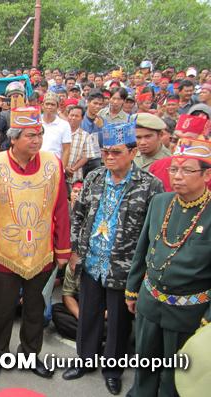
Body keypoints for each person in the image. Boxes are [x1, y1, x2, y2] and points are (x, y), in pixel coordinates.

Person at [62, 120, 164, 395]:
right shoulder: (94, 177)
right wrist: (74, 250)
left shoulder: (151, 185)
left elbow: (154, 232)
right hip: (92, 261)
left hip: (125, 268)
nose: (109, 157)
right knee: (89, 315)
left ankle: (113, 370)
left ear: (133, 153)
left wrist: (144, 270)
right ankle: (85, 360)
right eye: (106, 151)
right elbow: (79, 215)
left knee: (119, 323)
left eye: (116, 152)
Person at [0, 107, 71, 382]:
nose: (37, 140)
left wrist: (62, 249)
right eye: (30, 135)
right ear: (13, 138)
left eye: (39, 134)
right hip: (4, 252)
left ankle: (30, 353)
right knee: (0, 309)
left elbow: (61, 209)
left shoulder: (53, 164)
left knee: (35, 309)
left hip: (41, 252)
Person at [125, 137, 211, 397]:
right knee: (145, 365)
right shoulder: (160, 202)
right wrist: (132, 289)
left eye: (187, 170)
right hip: (150, 302)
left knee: (175, 375)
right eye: (174, 169)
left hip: (188, 312)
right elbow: (143, 248)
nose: (178, 176)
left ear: (207, 175)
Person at [41, 92, 72, 168]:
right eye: (47, 104)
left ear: (57, 107)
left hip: (54, 165)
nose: (49, 107)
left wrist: (62, 170)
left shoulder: (64, 125)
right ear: (42, 106)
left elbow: (66, 150)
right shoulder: (36, 122)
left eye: (52, 104)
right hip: (36, 164)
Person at [66, 105, 96, 184]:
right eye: (71, 115)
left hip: (74, 176)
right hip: (58, 172)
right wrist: (64, 168)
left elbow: (86, 156)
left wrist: (72, 169)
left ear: (82, 118)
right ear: (67, 116)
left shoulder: (86, 136)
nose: (73, 118)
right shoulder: (60, 132)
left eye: (76, 116)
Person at [80, 90, 105, 177]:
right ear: (88, 102)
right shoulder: (80, 118)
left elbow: (104, 143)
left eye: (100, 104)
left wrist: (101, 128)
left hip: (95, 159)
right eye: (95, 103)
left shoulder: (102, 121)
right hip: (80, 158)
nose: (97, 106)